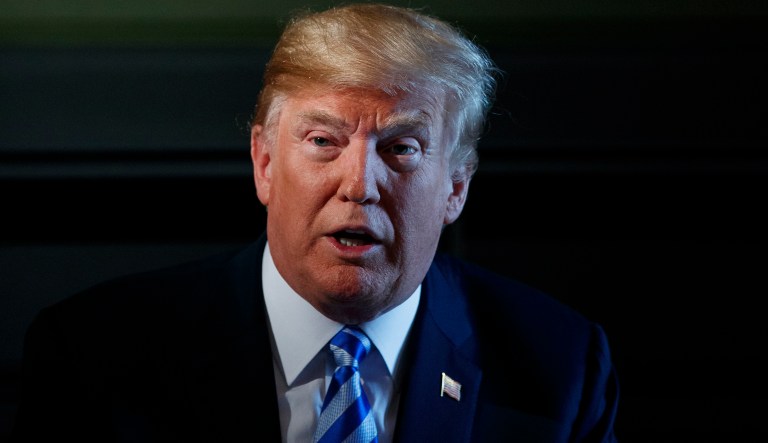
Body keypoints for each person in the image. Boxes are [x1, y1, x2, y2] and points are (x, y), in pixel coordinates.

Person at [11, 3, 619, 442]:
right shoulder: (92, 355)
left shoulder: (560, 366)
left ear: (456, 187)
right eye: (324, 140)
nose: (359, 185)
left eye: (401, 148)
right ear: (265, 163)